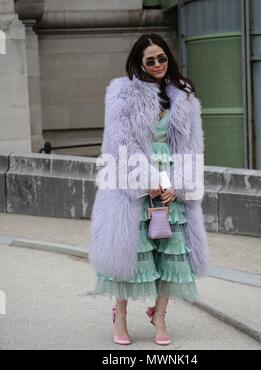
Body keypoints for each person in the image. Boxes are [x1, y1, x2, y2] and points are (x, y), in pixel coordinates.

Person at [88, 33, 208, 346]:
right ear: (140, 62)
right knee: (132, 250)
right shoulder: (121, 93)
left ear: (169, 58)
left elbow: (191, 147)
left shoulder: (184, 95)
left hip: (172, 182)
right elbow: (120, 143)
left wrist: (178, 187)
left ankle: (160, 316)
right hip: (133, 185)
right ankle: (122, 315)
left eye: (162, 58)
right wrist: (146, 180)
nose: (157, 64)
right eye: (150, 60)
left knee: (172, 252)